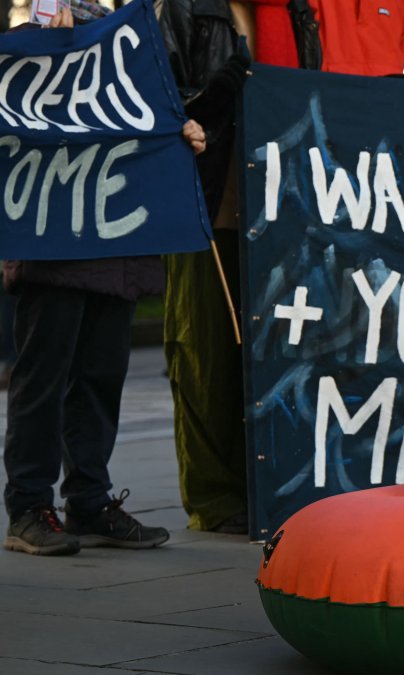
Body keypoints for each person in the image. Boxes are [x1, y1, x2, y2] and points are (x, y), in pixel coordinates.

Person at [2, 6, 208, 556]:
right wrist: (48, 41)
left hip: (120, 247)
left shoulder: (133, 45)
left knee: (98, 381)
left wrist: (180, 130)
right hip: (56, 250)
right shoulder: (27, 45)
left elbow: (149, 112)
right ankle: (28, 507)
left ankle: (88, 502)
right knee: (43, 381)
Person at [157, 0, 253, 534]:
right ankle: (214, 498)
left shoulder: (298, 12)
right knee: (204, 351)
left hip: (276, 206)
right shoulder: (186, 6)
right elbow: (159, 96)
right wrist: (218, 95)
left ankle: (254, 485)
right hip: (206, 203)